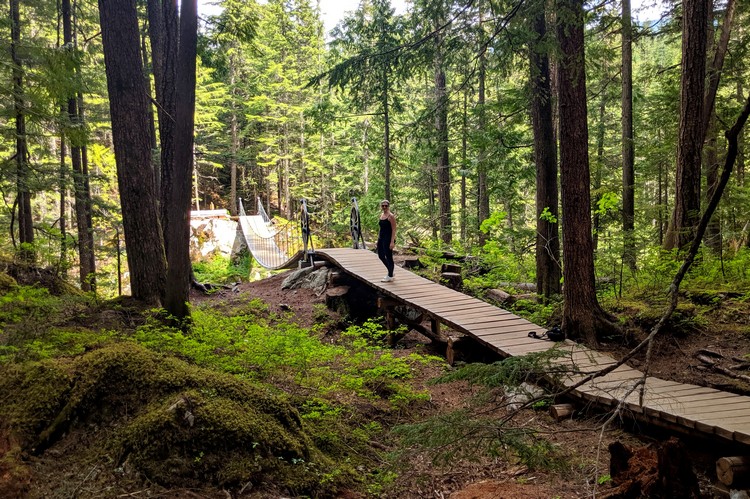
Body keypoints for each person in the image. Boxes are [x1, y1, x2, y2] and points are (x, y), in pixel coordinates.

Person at [377, 199, 397, 282]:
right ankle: (391, 271)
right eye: (383, 205)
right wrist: (378, 239)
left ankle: (390, 275)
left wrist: (392, 241)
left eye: (386, 205)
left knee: (389, 257)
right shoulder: (381, 215)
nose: (384, 207)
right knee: (381, 255)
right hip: (381, 238)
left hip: (388, 239)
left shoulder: (391, 216)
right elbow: (381, 228)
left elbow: (394, 229)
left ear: (388, 206)